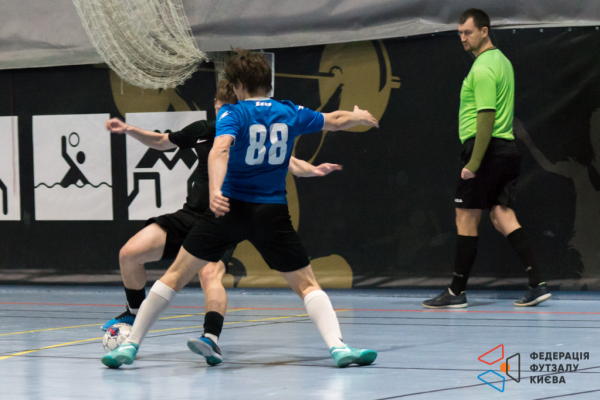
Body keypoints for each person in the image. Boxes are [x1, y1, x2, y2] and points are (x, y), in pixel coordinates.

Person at [101, 49, 379, 369]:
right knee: (307, 285)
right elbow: (335, 120)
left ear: (238, 86)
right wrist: (359, 116)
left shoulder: (232, 114)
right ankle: (339, 348)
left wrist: (216, 191)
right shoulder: (290, 111)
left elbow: (219, 150)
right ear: (267, 83)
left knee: (175, 276)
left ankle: (130, 345)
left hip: (228, 211)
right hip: (271, 213)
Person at [102, 80, 343, 331]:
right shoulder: (202, 130)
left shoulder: (248, 133)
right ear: (215, 104)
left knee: (209, 275)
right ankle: (134, 315)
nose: (225, 114)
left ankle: (210, 337)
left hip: (222, 220)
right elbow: (162, 141)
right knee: (129, 254)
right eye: (221, 108)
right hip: (190, 216)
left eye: (231, 108)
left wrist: (313, 169)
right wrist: (128, 128)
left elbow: (291, 162)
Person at [423, 9, 551, 309]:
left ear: (484, 31)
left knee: (465, 217)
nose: (463, 38)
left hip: (485, 151)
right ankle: (537, 283)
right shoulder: (502, 62)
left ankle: (456, 292)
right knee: (502, 215)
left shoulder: (481, 68)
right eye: (459, 33)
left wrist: (474, 163)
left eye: (468, 32)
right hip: (506, 150)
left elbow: (486, 116)